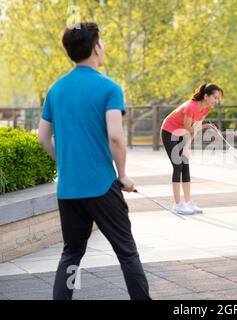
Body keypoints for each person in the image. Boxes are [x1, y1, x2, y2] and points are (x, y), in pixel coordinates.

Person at [38, 22, 151, 300]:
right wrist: (122, 174)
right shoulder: (109, 88)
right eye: (101, 43)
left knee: (72, 253)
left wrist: (65, 162)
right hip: (102, 185)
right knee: (126, 251)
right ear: (95, 48)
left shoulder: (55, 90)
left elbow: (43, 138)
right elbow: (115, 136)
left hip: (69, 188)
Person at [160, 83, 223, 214]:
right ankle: (177, 204)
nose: (216, 101)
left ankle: (188, 202)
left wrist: (187, 147)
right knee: (177, 166)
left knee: (185, 165)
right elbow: (189, 127)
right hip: (169, 131)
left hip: (182, 133)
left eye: (218, 98)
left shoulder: (206, 109)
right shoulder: (191, 107)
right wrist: (205, 126)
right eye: (215, 97)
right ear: (206, 96)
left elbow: (193, 131)